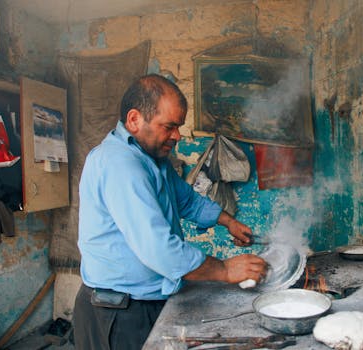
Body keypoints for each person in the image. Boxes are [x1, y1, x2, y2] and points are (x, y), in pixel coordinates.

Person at [73, 74, 267, 350]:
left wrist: (228, 222)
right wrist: (225, 269)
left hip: (144, 302)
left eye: (178, 126)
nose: (177, 135)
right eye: (170, 126)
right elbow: (159, 249)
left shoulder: (153, 159)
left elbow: (187, 200)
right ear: (134, 120)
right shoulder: (120, 164)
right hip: (116, 313)